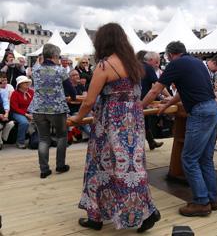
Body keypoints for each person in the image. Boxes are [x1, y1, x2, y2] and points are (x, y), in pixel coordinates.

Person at [69, 23, 160, 233]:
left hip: (110, 123)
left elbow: (89, 101)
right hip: (134, 123)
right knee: (133, 168)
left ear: (103, 41)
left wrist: (77, 118)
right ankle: (147, 211)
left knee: (99, 167)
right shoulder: (135, 64)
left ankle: (96, 216)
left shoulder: (104, 65)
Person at [142, 41, 217, 216]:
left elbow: (155, 90)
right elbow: (182, 92)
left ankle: (201, 202)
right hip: (213, 109)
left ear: (169, 55)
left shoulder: (175, 64)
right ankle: (211, 199)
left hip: (200, 113)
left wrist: (138, 108)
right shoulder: (197, 63)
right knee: (205, 159)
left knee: (189, 158)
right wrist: (168, 103)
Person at [28, 44, 74, 179]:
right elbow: (70, 88)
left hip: (38, 108)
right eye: (58, 56)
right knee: (61, 136)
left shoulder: (35, 69)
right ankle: (60, 165)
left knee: (43, 138)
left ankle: (44, 170)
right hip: (57, 109)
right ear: (54, 56)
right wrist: (74, 97)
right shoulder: (60, 71)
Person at [140, 51, 165, 150]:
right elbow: (158, 85)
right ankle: (148, 144)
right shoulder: (148, 68)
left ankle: (151, 142)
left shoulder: (137, 65)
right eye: (156, 62)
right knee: (142, 123)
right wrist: (166, 97)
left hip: (136, 98)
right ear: (150, 60)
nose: (157, 64)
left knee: (144, 123)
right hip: (142, 100)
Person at [10, 75, 34, 149]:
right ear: (20, 84)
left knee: (40, 119)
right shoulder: (15, 94)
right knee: (24, 122)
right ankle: (20, 142)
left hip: (29, 112)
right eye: (25, 82)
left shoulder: (31, 92)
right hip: (17, 112)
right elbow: (15, 108)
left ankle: (35, 140)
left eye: (27, 82)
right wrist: (26, 114)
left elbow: (34, 103)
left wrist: (33, 113)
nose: (27, 83)